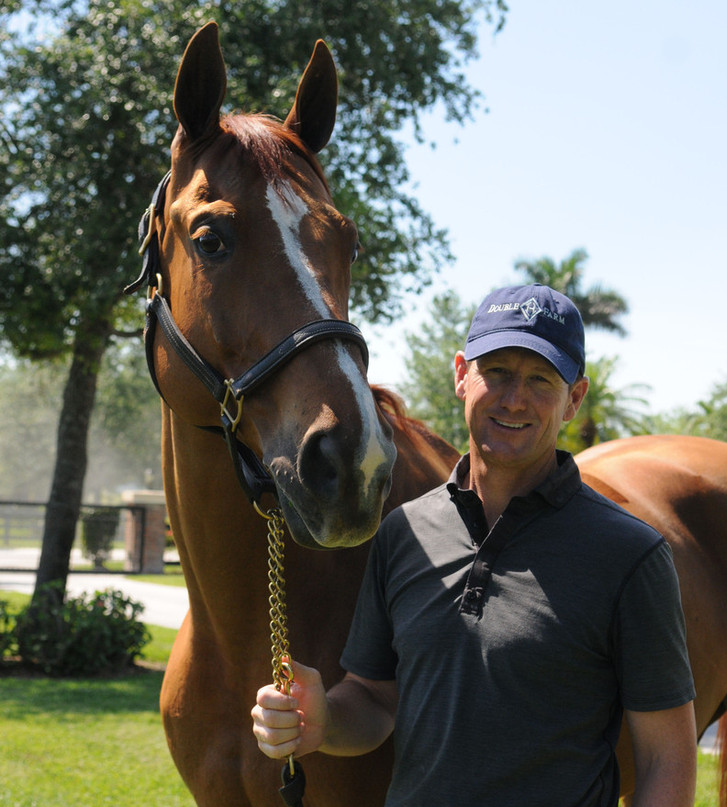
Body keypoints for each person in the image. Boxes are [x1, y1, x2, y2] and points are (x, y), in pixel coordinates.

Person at [252, 284, 697, 806]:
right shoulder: (403, 533)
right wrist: (322, 720)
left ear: (574, 399)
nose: (514, 398)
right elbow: (375, 699)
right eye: (499, 372)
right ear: (462, 375)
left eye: (541, 380)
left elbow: (667, 758)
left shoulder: (629, 555)